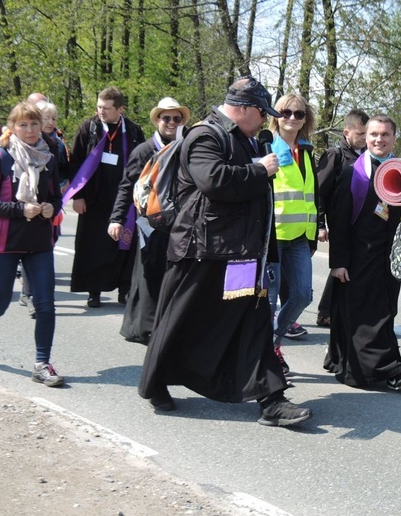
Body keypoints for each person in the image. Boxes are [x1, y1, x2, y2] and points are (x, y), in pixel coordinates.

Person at [138, 76, 312, 427]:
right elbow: (212, 180)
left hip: (242, 252)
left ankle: (271, 400)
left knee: (254, 320)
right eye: (260, 113)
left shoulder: (248, 139)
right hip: (201, 251)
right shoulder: (206, 134)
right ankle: (156, 382)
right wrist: (258, 170)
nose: (265, 121)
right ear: (244, 109)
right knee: (179, 320)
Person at [0, 102, 63, 386]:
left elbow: (56, 195)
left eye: (34, 124)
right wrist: (20, 210)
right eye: (23, 125)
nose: (29, 130)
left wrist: (52, 207)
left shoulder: (49, 157)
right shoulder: (0, 157)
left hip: (39, 241)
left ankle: (42, 364)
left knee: (45, 305)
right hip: (3, 243)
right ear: (12, 127)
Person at [324, 114, 401, 391]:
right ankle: (379, 371)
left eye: (385, 134)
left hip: (389, 256)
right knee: (366, 315)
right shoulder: (354, 173)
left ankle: (359, 358)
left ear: (394, 138)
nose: (379, 139)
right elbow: (338, 220)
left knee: (387, 309)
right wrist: (338, 262)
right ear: (365, 137)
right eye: (373, 134)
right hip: (358, 256)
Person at [109, 97, 190, 343]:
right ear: (157, 120)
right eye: (167, 118)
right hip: (149, 223)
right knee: (148, 276)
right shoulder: (144, 150)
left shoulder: (186, 147)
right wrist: (117, 218)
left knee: (169, 276)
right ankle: (146, 329)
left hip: (177, 222)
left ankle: (152, 326)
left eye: (177, 119)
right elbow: (126, 186)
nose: (172, 123)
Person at [67, 86, 145, 307]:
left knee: (124, 244)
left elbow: (142, 163)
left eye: (107, 108)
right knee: (94, 245)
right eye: (99, 106)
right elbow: (76, 163)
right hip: (94, 198)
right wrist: (78, 196)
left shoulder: (132, 130)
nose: (101, 111)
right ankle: (94, 290)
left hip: (123, 197)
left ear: (120, 109)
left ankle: (124, 288)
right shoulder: (88, 128)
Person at [266, 93, 318, 374]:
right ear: (276, 115)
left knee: (302, 295)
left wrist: (313, 234)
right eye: (286, 112)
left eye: (299, 114)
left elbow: (311, 195)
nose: (292, 118)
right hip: (272, 238)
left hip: (299, 236)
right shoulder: (267, 147)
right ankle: (268, 355)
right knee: (267, 301)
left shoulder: (307, 150)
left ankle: (272, 341)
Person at [315, 109, 368, 327]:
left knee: (349, 266)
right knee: (341, 265)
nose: (365, 138)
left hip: (359, 222)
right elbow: (320, 191)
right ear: (347, 132)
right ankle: (326, 311)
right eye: (361, 134)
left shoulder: (365, 156)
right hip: (339, 220)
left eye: (367, 134)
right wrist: (320, 224)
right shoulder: (334, 155)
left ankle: (336, 309)